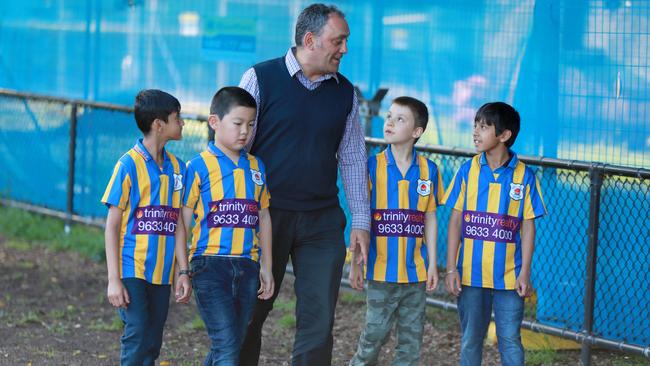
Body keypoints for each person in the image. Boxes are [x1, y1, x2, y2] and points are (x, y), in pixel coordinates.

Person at [238, 3, 370, 365]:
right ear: (310, 40)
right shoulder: (259, 78)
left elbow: (354, 157)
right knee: (250, 311)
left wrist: (360, 219)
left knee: (318, 321)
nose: (344, 49)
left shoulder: (345, 93)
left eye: (345, 41)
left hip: (322, 221)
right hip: (265, 217)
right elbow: (233, 148)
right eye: (338, 41)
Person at [443, 102, 546, 366]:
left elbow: (528, 226)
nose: (475, 132)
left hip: (510, 277)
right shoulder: (467, 171)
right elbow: (455, 222)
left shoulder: (525, 176)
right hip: (470, 274)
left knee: (510, 339)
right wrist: (451, 268)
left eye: (484, 126)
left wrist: (525, 272)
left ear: (504, 135)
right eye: (475, 125)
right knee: (470, 339)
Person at [181, 86, 274, 366]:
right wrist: (182, 269)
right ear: (214, 122)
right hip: (209, 266)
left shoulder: (257, 166)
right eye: (238, 123)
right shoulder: (197, 167)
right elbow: (182, 223)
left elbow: (264, 218)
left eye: (250, 124)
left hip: (247, 266)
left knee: (231, 342)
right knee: (227, 345)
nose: (245, 131)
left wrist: (266, 267)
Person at [348, 96, 444, 366]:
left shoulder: (429, 170)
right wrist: (355, 262)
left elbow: (431, 218)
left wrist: (433, 265)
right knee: (373, 336)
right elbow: (361, 218)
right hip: (381, 271)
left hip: (415, 273)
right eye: (389, 116)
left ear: (416, 132)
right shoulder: (371, 166)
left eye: (400, 119)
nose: (389, 122)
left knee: (411, 344)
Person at [101, 89, 192, 366]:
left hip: (162, 274)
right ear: (159, 124)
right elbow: (112, 227)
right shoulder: (127, 165)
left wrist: (183, 271)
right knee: (138, 333)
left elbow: (177, 224)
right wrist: (114, 279)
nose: (183, 123)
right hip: (132, 269)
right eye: (178, 118)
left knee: (152, 340)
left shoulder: (178, 168)